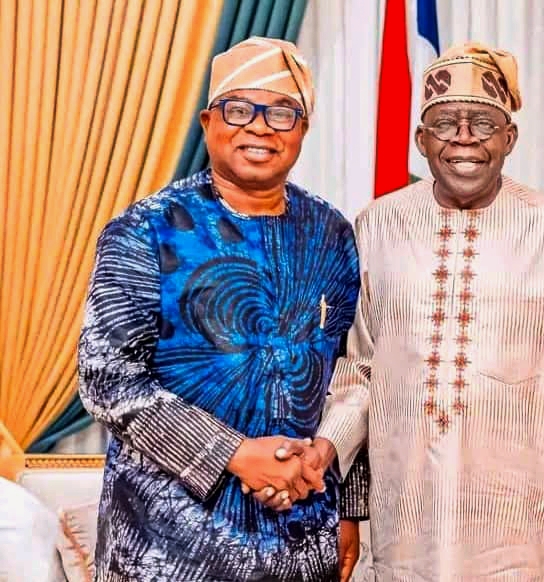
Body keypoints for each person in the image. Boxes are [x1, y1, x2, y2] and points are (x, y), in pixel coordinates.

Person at [311, 42, 544, 581]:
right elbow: (360, 371)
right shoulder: (377, 225)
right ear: (421, 140)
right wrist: (331, 468)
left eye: (483, 123)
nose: (464, 138)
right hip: (406, 516)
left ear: (509, 138)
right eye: (445, 123)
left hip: (519, 522)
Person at [78, 37, 367, 582]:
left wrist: (348, 504)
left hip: (301, 544)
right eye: (239, 110)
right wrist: (236, 454)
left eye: (282, 113)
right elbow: (107, 380)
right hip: (166, 548)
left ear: (302, 129)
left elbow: (353, 371)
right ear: (208, 123)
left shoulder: (332, 234)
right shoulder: (145, 230)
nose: (260, 127)